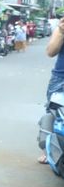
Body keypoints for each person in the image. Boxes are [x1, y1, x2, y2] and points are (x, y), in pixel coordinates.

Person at [39, 17, 64, 164]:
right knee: (54, 113)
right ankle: (50, 151)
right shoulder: (61, 27)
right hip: (61, 78)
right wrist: (61, 32)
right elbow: (50, 51)